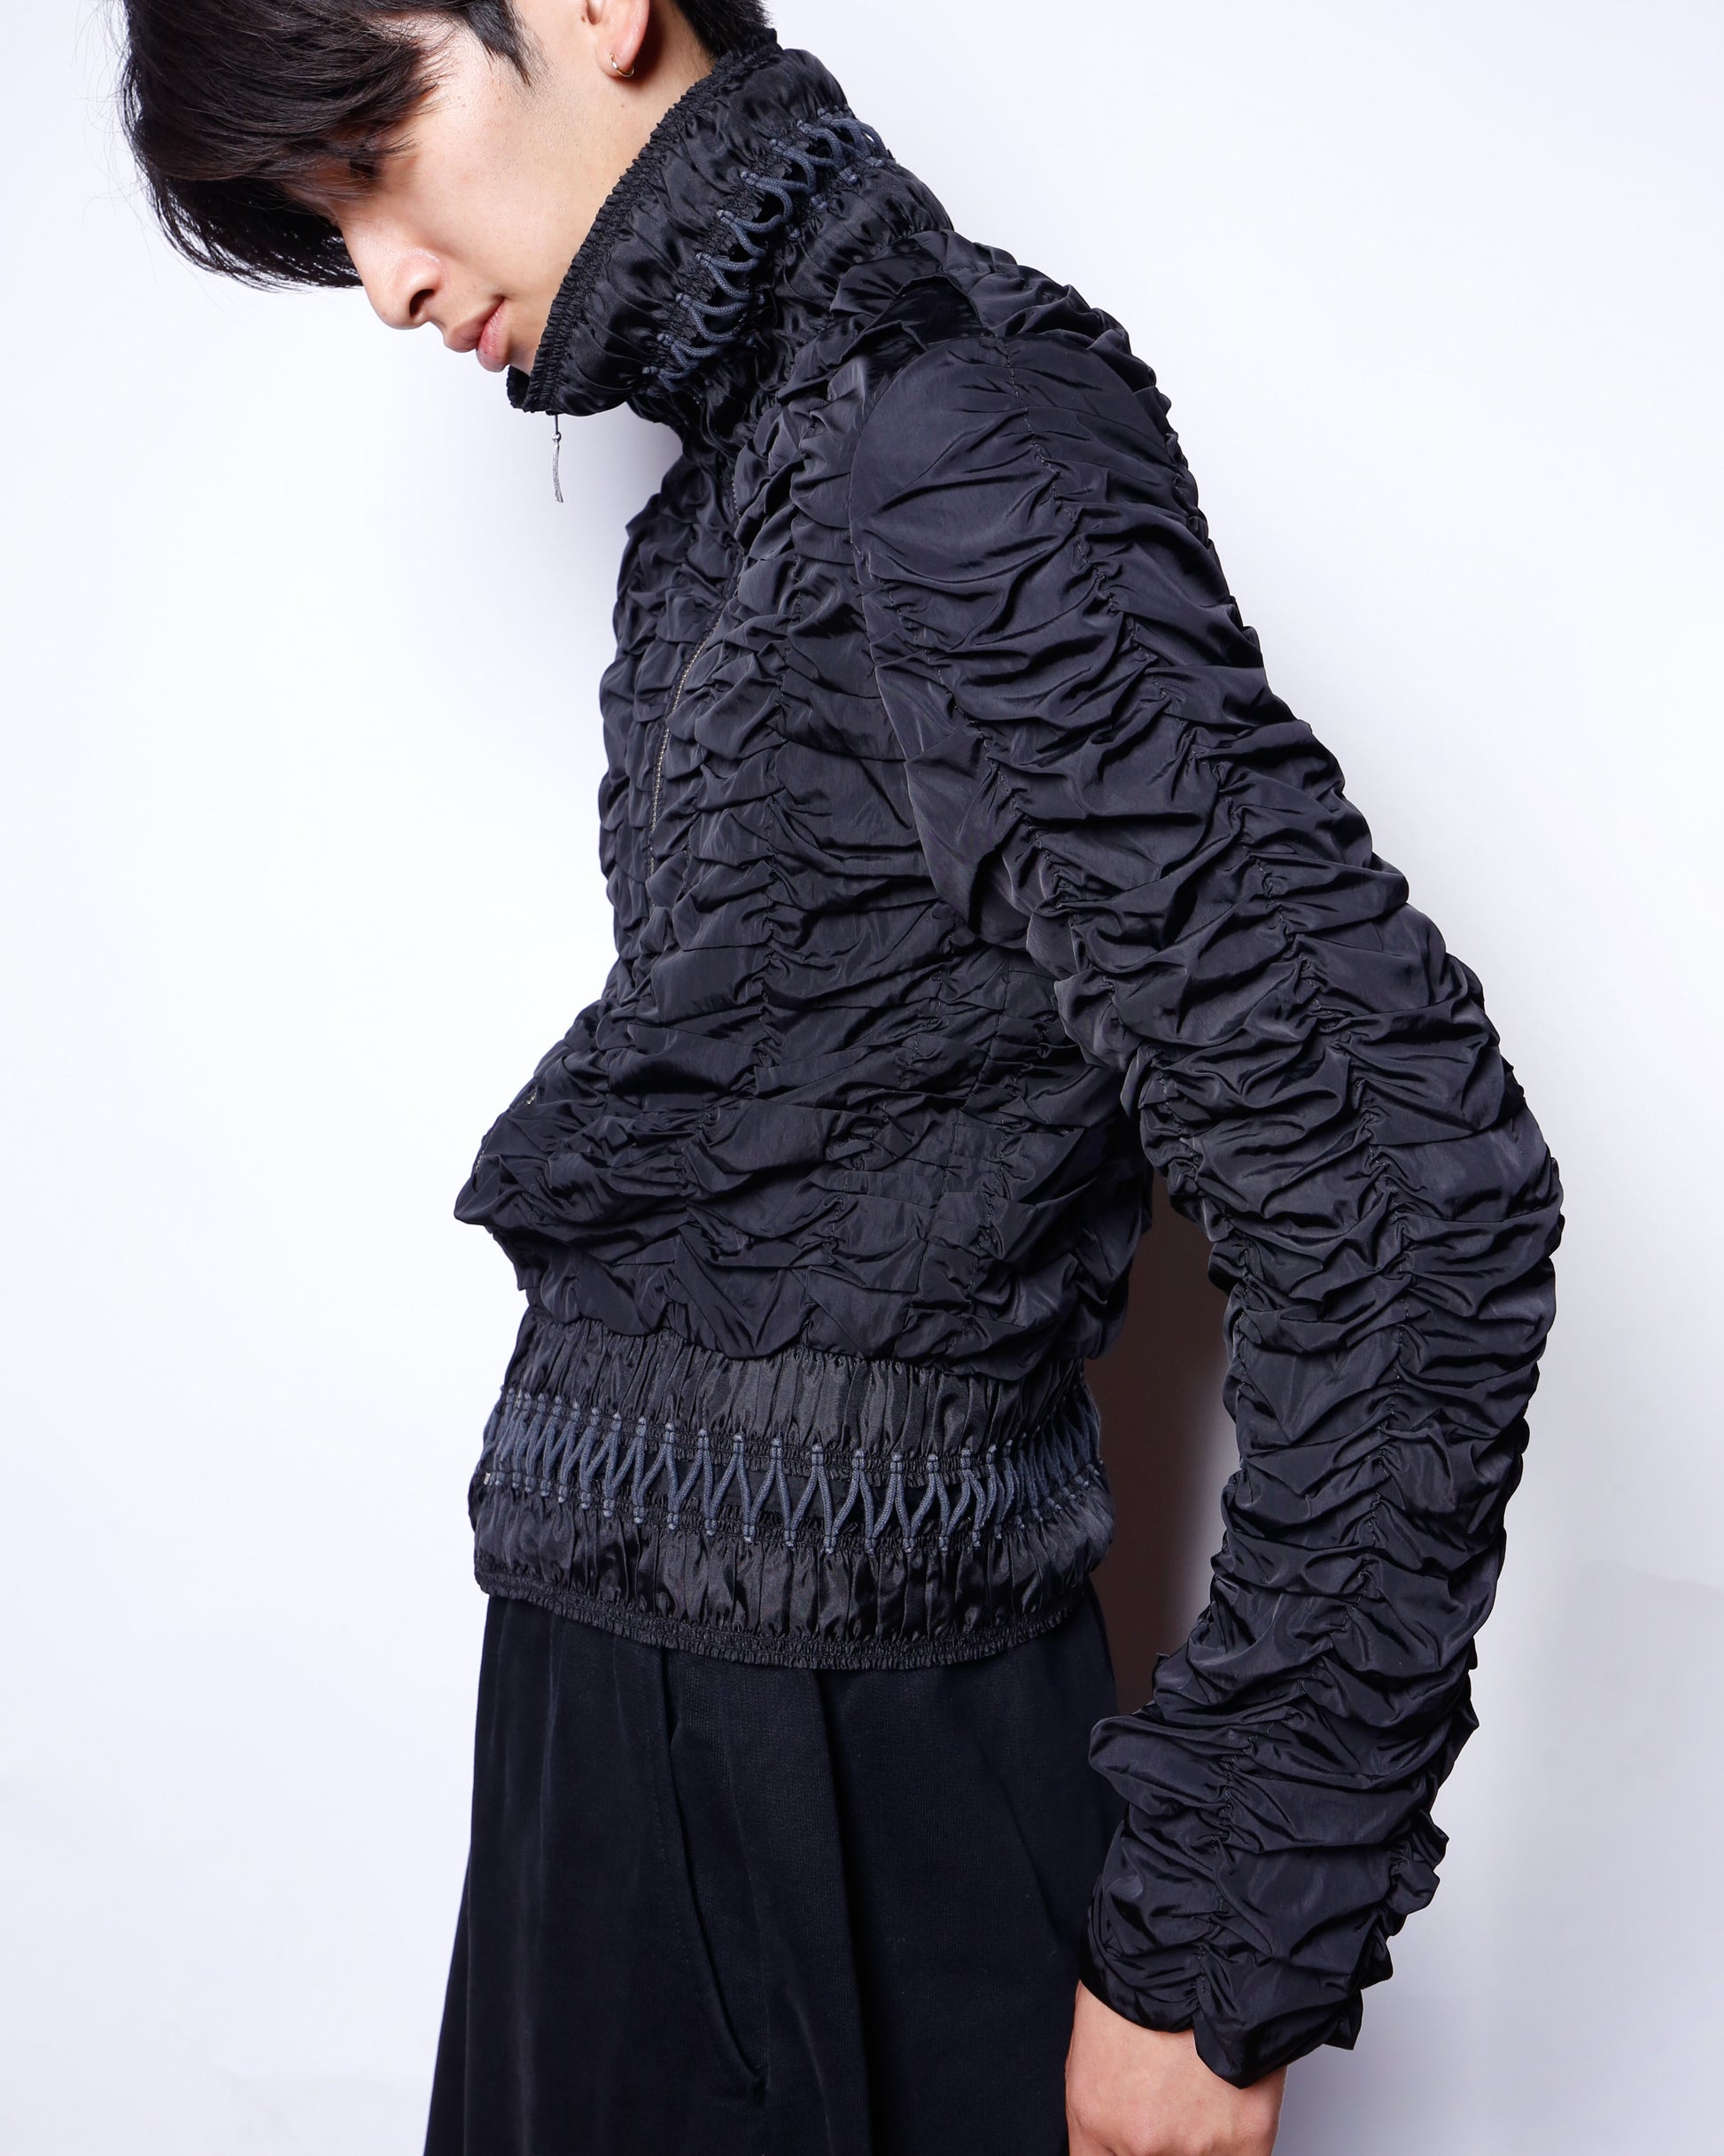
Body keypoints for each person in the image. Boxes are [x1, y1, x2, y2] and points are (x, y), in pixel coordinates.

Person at [117, 3, 1564, 2151]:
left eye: (372, 148)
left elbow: (1407, 1191)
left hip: (848, 1793)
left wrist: (1220, 1944)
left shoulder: (956, 432)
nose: (385, 277)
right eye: (325, 226)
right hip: (614, 1751)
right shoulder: (733, 482)